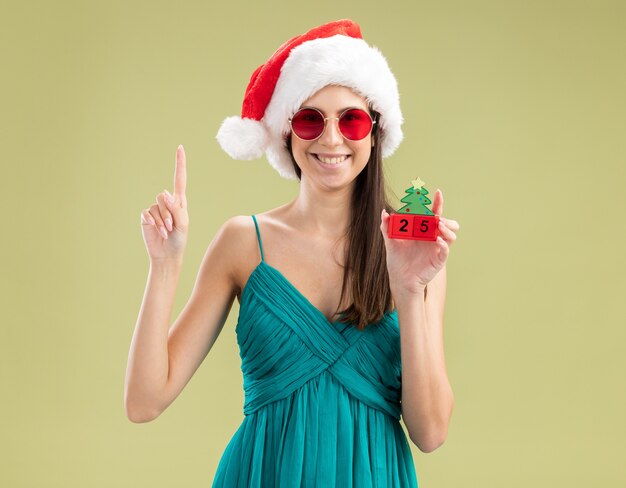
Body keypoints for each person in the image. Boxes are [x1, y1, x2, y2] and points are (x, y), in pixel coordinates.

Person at [125, 18, 459, 487]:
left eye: (351, 118)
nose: (330, 138)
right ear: (287, 132)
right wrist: (165, 264)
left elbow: (430, 432)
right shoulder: (242, 243)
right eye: (309, 118)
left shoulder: (414, 252)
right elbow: (144, 402)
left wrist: (407, 288)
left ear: (375, 130)